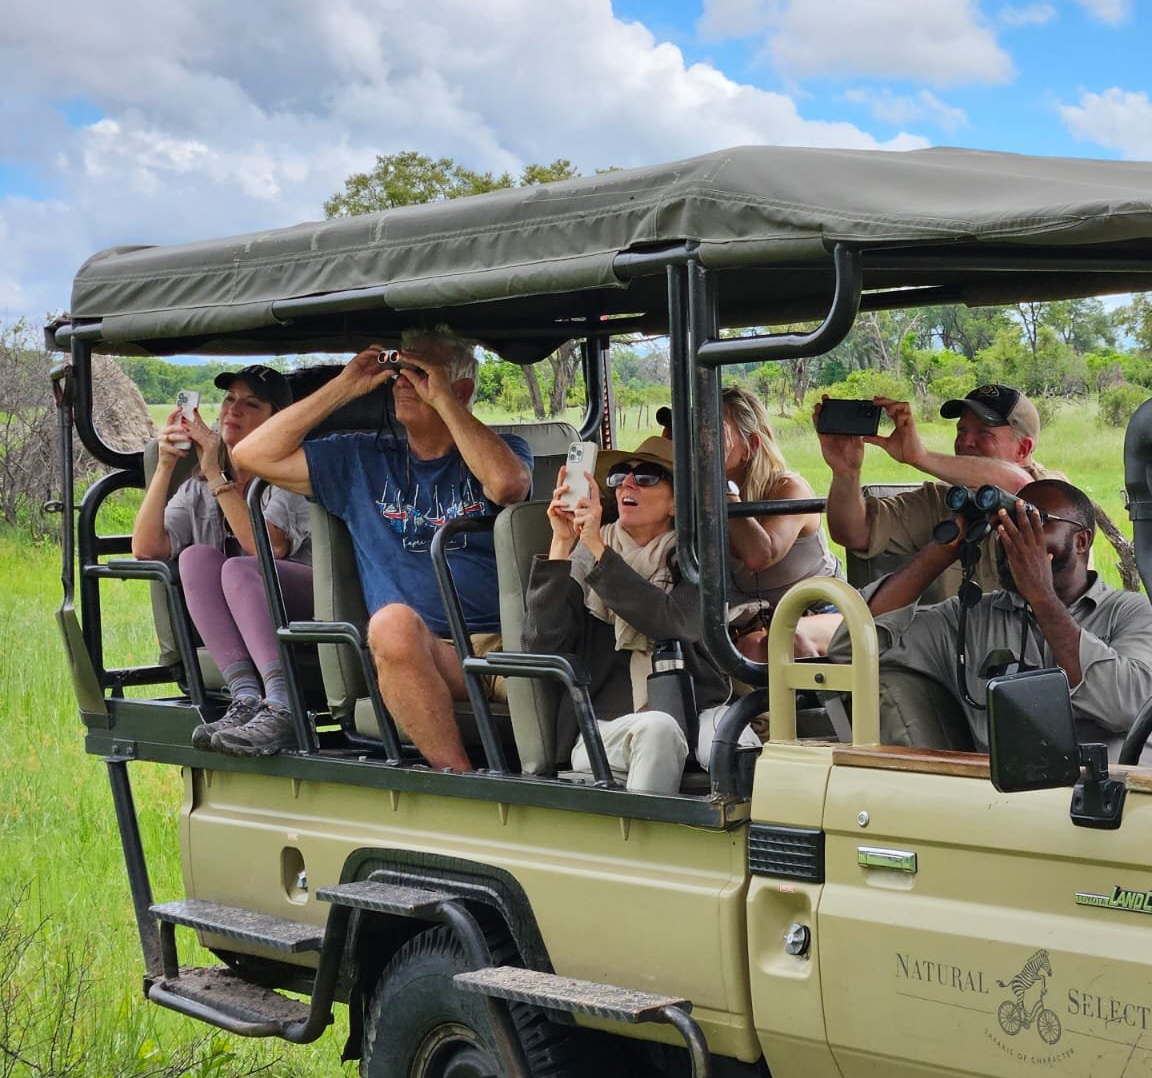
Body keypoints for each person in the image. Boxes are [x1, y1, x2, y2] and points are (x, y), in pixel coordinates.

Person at [231, 327, 533, 767]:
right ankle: (456, 780)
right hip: (424, 651)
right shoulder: (360, 459)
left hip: (508, 650)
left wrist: (444, 399)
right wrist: (347, 384)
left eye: (421, 371)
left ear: (462, 388)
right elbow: (250, 455)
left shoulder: (503, 451)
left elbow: (508, 486)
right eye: (400, 371)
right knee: (391, 623)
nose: (405, 381)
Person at [831, 479, 1152, 757]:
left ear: (1082, 540)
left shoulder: (1133, 613)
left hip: (1123, 799)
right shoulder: (968, 619)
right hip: (1013, 808)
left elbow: (1126, 707)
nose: (1014, 536)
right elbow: (853, 648)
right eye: (1005, 524)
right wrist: (943, 549)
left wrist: (1042, 596)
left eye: (1036, 522)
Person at [522, 436, 733, 793]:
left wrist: (599, 552)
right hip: (603, 729)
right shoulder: (588, 556)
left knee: (736, 741)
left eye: (648, 476)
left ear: (676, 502)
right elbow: (541, 647)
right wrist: (561, 542)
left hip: (693, 717)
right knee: (658, 729)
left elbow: (671, 622)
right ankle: (641, 842)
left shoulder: (699, 564)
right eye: (620, 475)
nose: (628, 485)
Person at [130, 365, 314, 753]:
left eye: (251, 404)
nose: (234, 411)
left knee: (239, 568)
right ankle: (246, 697)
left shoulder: (289, 471)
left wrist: (217, 474)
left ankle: (283, 704)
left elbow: (267, 549)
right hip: (251, 611)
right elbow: (146, 548)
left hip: (308, 603)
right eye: (229, 400)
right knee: (195, 557)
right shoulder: (202, 482)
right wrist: (165, 466)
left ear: (277, 419)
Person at [819, 384, 1049, 604]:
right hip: (951, 640)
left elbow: (1018, 484)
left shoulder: (1054, 491)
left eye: (984, 433)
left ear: (1023, 449)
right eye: (962, 430)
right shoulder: (943, 499)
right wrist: (845, 473)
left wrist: (920, 457)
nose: (966, 441)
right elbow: (854, 533)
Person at [719, 386, 843, 656]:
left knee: (781, 642)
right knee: (753, 645)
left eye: (718, 435)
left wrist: (720, 482)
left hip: (825, 612)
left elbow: (759, 555)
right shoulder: (703, 497)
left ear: (751, 446)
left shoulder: (788, 488)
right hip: (760, 624)